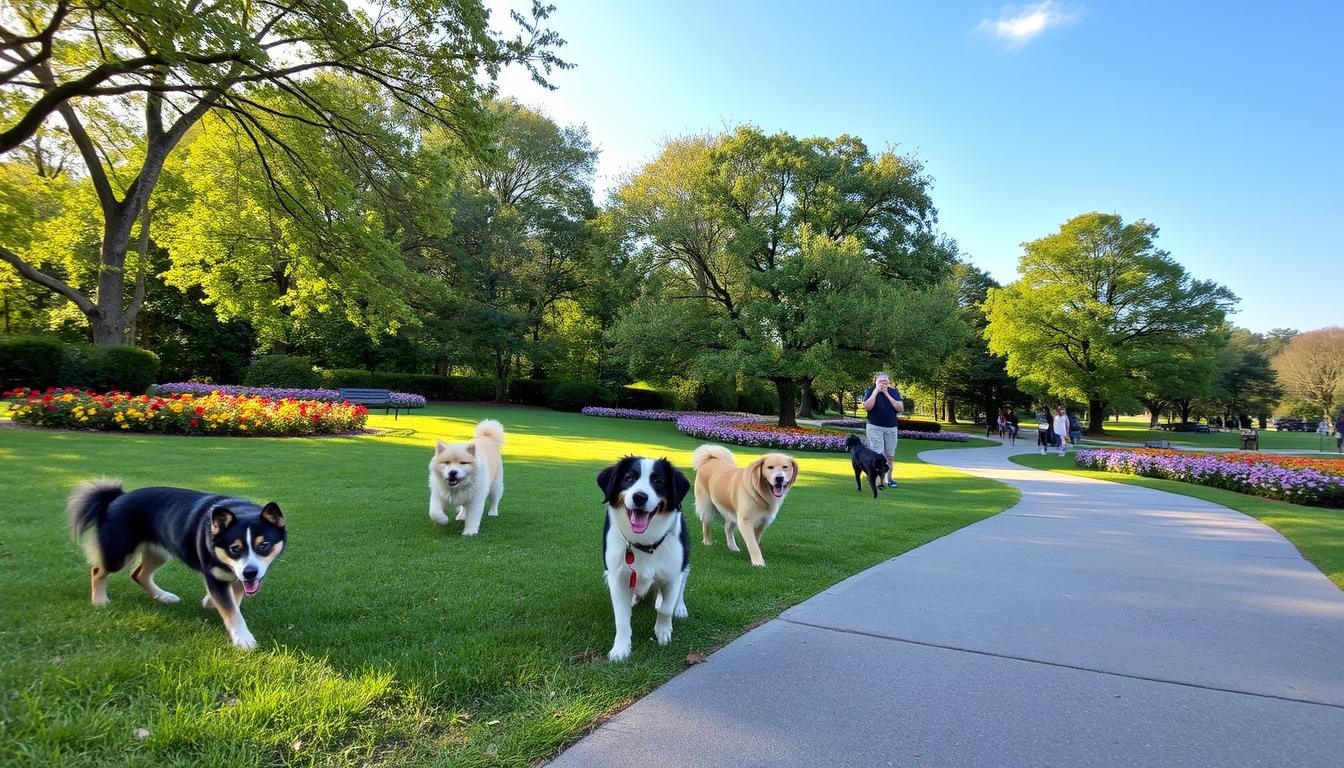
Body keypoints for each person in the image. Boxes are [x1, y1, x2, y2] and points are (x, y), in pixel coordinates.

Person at [861, 372, 904, 488]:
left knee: (890, 455)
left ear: (889, 382)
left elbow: (900, 408)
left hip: (891, 428)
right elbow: (867, 407)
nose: (883, 383)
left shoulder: (894, 392)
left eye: (885, 381)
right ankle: (877, 481)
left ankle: (889, 479)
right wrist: (876, 392)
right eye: (881, 381)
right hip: (874, 426)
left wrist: (887, 394)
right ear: (875, 382)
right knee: (877, 453)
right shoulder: (870, 391)